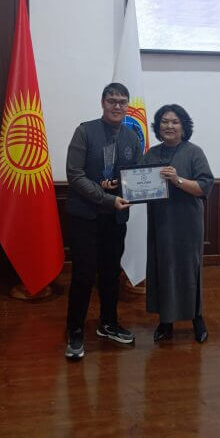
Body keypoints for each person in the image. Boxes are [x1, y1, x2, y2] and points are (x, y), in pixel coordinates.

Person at [65, 82, 142, 359]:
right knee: (84, 274)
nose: (117, 106)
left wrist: (127, 188)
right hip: (85, 217)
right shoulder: (85, 131)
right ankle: (75, 330)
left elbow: (135, 176)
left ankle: (108, 323)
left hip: (115, 219)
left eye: (122, 101)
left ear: (127, 106)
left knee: (110, 274)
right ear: (102, 103)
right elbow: (74, 174)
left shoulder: (132, 137)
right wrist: (105, 196)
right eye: (112, 101)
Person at [142, 104, 214, 343]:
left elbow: (204, 187)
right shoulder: (151, 154)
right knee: (162, 268)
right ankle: (166, 321)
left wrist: (177, 179)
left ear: (184, 127)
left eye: (175, 122)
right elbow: (137, 184)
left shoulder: (194, 152)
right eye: (164, 121)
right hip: (161, 222)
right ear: (158, 126)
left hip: (187, 223)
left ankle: (197, 318)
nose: (169, 126)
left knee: (189, 269)